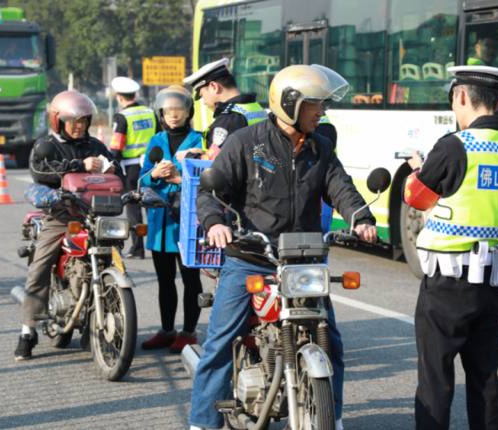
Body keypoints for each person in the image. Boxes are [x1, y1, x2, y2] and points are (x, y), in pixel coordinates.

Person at [188, 64, 378, 430]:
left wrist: (361, 217)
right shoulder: (246, 142)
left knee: (332, 342)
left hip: (302, 260)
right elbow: (211, 191)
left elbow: (341, 187)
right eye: (314, 104)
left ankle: (331, 417)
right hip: (252, 257)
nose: (321, 111)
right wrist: (214, 224)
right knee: (220, 341)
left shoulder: (321, 147)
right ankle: (202, 423)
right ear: (290, 103)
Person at [403, 65, 498, 429]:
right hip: (493, 285)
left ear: (462, 96)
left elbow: (416, 199)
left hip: (447, 286)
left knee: (436, 381)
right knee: (485, 379)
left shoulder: (454, 146)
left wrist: (419, 169)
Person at [14, 90, 117, 361]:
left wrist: (111, 169)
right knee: (40, 266)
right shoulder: (46, 145)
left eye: (83, 120)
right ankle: (27, 330)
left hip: (94, 216)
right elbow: (39, 171)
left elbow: (115, 167)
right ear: (57, 120)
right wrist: (78, 165)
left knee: (112, 260)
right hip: (60, 216)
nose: (79, 125)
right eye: (73, 120)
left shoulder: (95, 145)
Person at [139, 85, 204, 353]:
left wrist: (178, 174)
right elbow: (142, 179)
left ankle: (189, 332)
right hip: (160, 222)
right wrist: (154, 175)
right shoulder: (155, 141)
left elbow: (207, 174)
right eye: (168, 111)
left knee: (191, 278)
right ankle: (167, 330)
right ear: (161, 113)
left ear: (188, 112)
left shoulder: (200, 140)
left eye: (179, 110)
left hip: (189, 219)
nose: (174, 115)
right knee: (164, 280)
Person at [110, 76, 160, 259]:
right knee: (152, 205)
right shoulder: (150, 112)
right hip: (151, 166)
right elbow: (159, 137)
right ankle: (155, 245)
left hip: (130, 169)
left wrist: (109, 164)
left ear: (119, 97)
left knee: (133, 207)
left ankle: (137, 248)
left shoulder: (122, 117)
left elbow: (117, 146)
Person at [182, 57, 267, 160]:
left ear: (214, 86)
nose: (204, 102)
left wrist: (189, 156)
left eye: (202, 95)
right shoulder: (254, 107)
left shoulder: (229, 119)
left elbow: (215, 162)